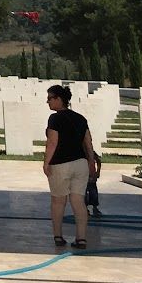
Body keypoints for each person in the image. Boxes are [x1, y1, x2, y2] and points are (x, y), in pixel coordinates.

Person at [42, 84, 101, 248]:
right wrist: (91, 163)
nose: (47, 102)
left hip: (61, 164)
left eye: (50, 98)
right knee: (78, 201)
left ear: (59, 99)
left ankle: (58, 237)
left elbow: (52, 142)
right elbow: (88, 143)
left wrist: (46, 162)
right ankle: (81, 238)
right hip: (80, 164)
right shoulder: (81, 118)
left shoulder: (54, 119)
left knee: (58, 201)